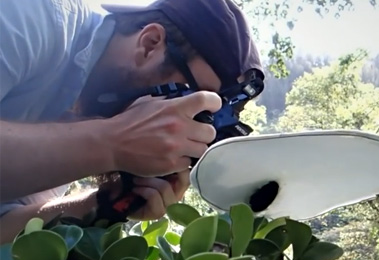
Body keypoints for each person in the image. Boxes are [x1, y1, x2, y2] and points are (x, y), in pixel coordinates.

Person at [0, 0, 264, 243]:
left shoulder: (97, 118)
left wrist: (100, 203)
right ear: (150, 43)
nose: (181, 129)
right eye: (192, 102)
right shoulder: (32, 16)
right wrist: (110, 144)